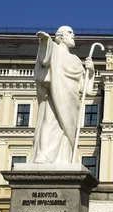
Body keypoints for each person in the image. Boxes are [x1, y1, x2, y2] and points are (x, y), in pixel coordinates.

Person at [32, 26, 94, 164]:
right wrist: (45, 40)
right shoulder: (54, 50)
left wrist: (90, 72)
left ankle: (64, 158)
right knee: (50, 122)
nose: (73, 35)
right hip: (55, 92)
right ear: (60, 36)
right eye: (70, 33)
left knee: (66, 131)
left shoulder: (76, 60)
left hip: (71, 100)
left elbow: (83, 88)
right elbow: (44, 59)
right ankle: (45, 155)